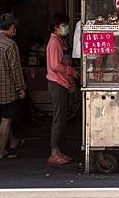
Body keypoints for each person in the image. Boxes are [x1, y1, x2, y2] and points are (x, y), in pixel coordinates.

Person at [0, 13, 27, 160]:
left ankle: (13, 141)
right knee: (6, 120)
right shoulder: (10, 44)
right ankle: (0, 151)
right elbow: (15, 69)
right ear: (11, 28)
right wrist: (21, 88)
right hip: (8, 89)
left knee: (3, 118)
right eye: (14, 28)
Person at [46, 13, 79, 166]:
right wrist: (72, 72)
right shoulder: (54, 42)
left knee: (61, 118)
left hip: (63, 83)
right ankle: (53, 153)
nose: (66, 27)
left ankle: (57, 150)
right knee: (58, 119)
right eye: (63, 25)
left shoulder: (60, 41)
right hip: (57, 83)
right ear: (56, 27)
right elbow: (55, 66)